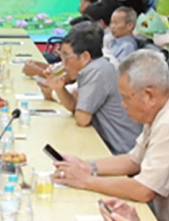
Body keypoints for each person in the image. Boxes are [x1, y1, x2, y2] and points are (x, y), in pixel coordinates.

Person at [53, 50, 169, 221]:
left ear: (149, 95)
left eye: (125, 98)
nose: (122, 105)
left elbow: (144, 190)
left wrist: (85, 180)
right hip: (161, 219)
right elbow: (134, 160)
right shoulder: (160, 109)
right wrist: (86, 166)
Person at [37, 24, 142, 154]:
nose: (63, 63)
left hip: (117, 149)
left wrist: (77, 106)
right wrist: (59, 88)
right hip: (107, 142)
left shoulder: (96, 71)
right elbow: (74, 106)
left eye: (66, 57)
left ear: (85, 57)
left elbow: (82, 119)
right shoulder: (96, 67)